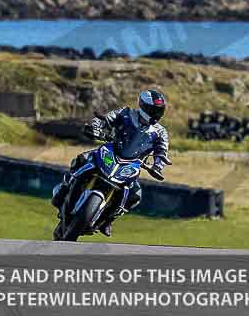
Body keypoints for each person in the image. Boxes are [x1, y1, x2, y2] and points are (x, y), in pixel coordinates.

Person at [52, 90, 170, 237]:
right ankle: (64, 189)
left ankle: (107, 221)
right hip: (111, 151)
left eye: (159, 110)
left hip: (132, 164)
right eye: (154, 109)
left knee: (135, 195)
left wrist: (158, 165)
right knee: (81, 159)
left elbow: (162, 151)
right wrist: (96, 127)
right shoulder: (125, 113)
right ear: (143, 106)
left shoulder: (160, 132)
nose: (156, 113)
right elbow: (105, 119)